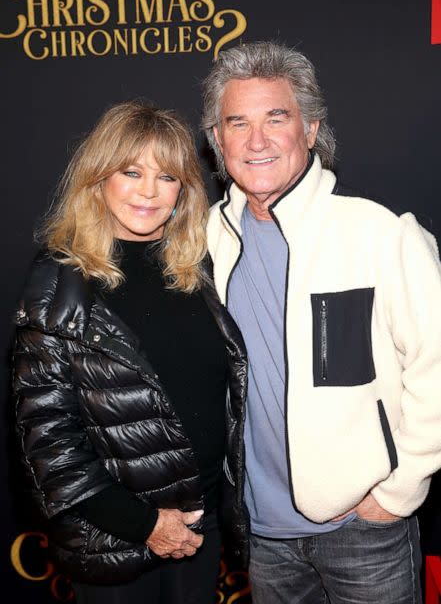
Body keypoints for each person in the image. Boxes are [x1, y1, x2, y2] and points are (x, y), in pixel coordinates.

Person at [202, 40, 441, 603]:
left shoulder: (380, 234)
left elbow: (436, 369)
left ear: (310, 130)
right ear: (218, 140)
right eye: (237, 123)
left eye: (275, 118)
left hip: (363, 532)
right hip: (262, 538)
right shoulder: (205, 238)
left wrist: (397, 493)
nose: (256, 141)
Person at [12, 101, 247, 604]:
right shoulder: (61, 280)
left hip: (203, 524)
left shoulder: (199, 267)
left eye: (166, 176)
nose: (148, 191)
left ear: (183, 189)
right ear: (99, 178)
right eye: (131, 171)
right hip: (116, 539)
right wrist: (146, 525)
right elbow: (49, 446)